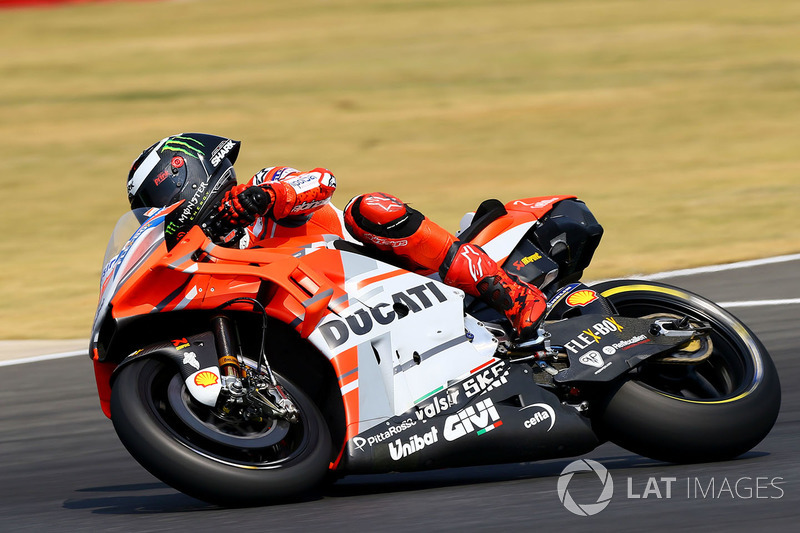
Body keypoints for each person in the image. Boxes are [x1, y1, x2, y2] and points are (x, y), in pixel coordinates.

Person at [126, 133, 546, 339]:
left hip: (390, 278)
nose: (159, 210)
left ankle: (513, 293)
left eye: (157, 197)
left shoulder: (263, 184)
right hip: (334, 324)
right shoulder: (206, 255)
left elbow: (322, 181)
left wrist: (263, 196)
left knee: (368, 209)